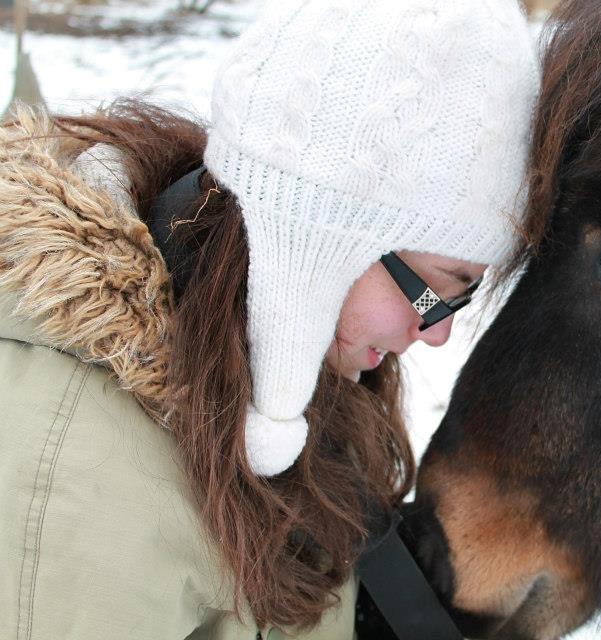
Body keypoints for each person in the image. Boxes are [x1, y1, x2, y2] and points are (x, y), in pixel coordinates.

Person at [0, 0, 538, 637]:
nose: (438, 331)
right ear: (315, 239)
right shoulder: (75, 471)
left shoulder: (292, 384)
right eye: (432, 292)